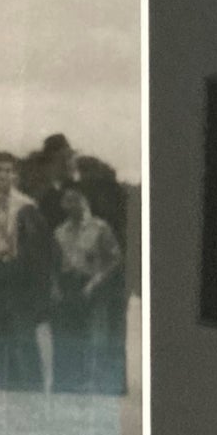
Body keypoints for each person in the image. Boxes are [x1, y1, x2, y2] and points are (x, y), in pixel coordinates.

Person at [35, 132, 129, 396]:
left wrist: (100, 278)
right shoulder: (48, 199)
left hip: (98, 276)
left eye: (69, 157)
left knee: (99, 338)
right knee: (64, 337)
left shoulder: (96, 190)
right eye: (59, 159)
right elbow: (47, 248)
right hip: (64, 278)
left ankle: (102, 387)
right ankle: (65, 386)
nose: (66, 163)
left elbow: (114, 242)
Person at [0, 151, 52, 393]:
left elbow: (37, 246)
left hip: (20, 271)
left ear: (14, 175)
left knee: (23, 329)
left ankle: (32, 387)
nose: (2, 175)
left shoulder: (26, 205)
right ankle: (5, 385)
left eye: (7, 171)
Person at [50, 185, 124, 394]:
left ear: (85, 201)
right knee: (66, 335)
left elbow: (114, 259)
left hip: (92, 284)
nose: (70, 205)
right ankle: (66, 382)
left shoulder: (100, 228)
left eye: (75, 200)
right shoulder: (60, 231)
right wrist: (55, 287)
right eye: (67, 201)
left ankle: (90, 382)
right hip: (67, 286)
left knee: (91, 335)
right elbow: (54, 264)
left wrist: (95, 282)